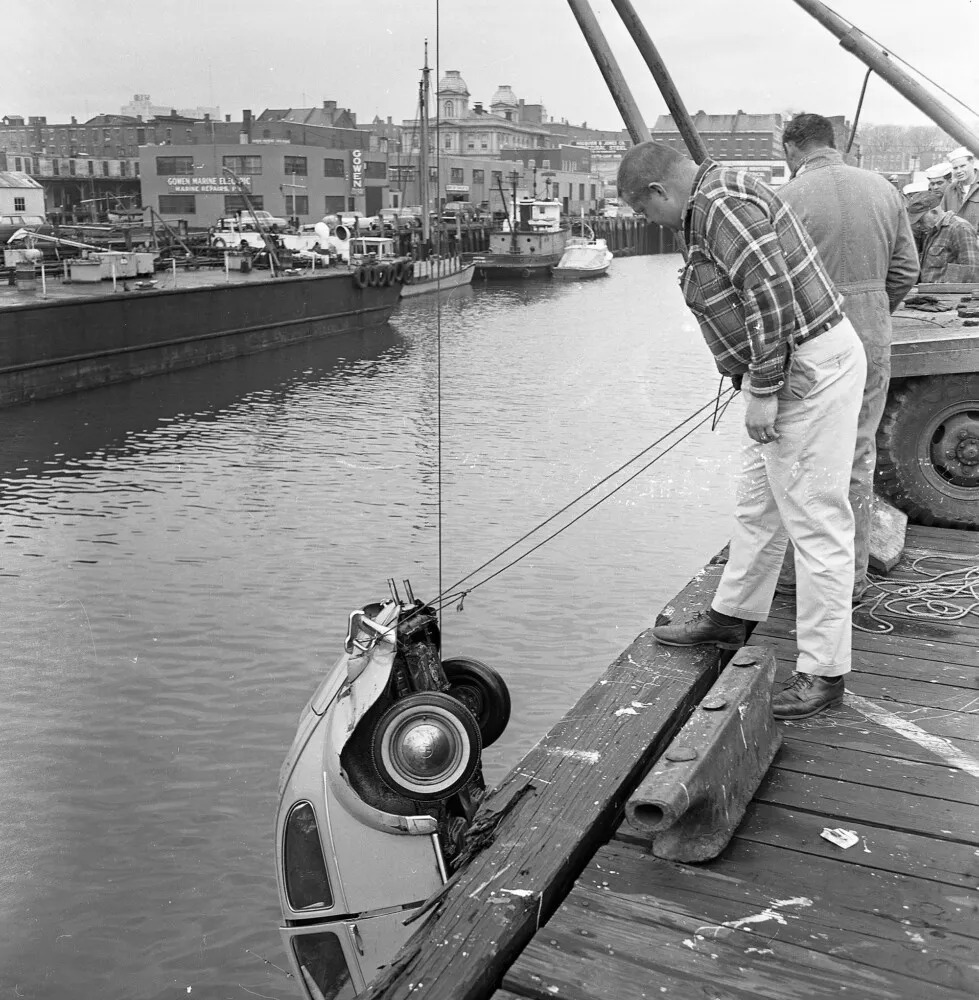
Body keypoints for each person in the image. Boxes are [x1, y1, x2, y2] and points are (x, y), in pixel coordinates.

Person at [617, 141, 866, 721]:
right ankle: (732, 616)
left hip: (805, 371)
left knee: (816, 519)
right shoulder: (710, 199)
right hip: (795, 364)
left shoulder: (721, 203)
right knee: (759, 503)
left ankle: (824, 673)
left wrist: (761, 389)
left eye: (642, 212)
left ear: (659, 192)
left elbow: (771, 296)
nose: (646, 224)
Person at [780, 113, 919, 602]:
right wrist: (876, 307)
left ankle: (800, 574)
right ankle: (851, 580)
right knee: (858, 456)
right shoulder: (884, 189)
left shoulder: (787, 199)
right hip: (872, 332)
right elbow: (907, 268)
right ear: (834, 144)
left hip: (813, 341)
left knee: (803, 456)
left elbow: (775, 286)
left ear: (792, 150)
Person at [909, 189, 979, 283]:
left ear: (934, 212)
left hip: (947, 296)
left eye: (921, 220)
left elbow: (972, 270)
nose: (918, 225)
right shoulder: (931, 231)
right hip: (932, 294)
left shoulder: (959, 228)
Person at [941, 146, 979, 229]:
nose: (959, 171)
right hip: (956, 240)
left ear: (972, 162)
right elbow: (942, 216)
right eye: (955, 168)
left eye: (962, 166)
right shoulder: (950, 190)